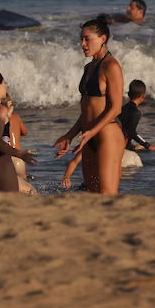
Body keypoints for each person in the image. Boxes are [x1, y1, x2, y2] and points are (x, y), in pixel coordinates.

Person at [53, 19, 127, 194]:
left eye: (87, 39)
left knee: (107, 194)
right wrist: (70, 135)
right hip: (88, 136)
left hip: (106, 135)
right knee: (92, 193)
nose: (82, 44)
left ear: (103, 38)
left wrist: (92, 132)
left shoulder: (111, 66)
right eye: (81, 39)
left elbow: (116, 108)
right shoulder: (89, 67)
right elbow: (87, 109)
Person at [120, 79, 155, 152]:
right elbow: (131, 132)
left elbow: (125, 129)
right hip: (120, 144)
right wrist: (147, 145)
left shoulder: (122, 109)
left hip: (116, 140)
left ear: (129, 94)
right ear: (143, 96)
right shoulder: (135, 113)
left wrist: (131, 146)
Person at [5, 96, 29, 178]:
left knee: (8, 184)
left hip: (6, 157)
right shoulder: (16, 117)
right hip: (18, 157)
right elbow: (25, 132)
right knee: (22, 182)